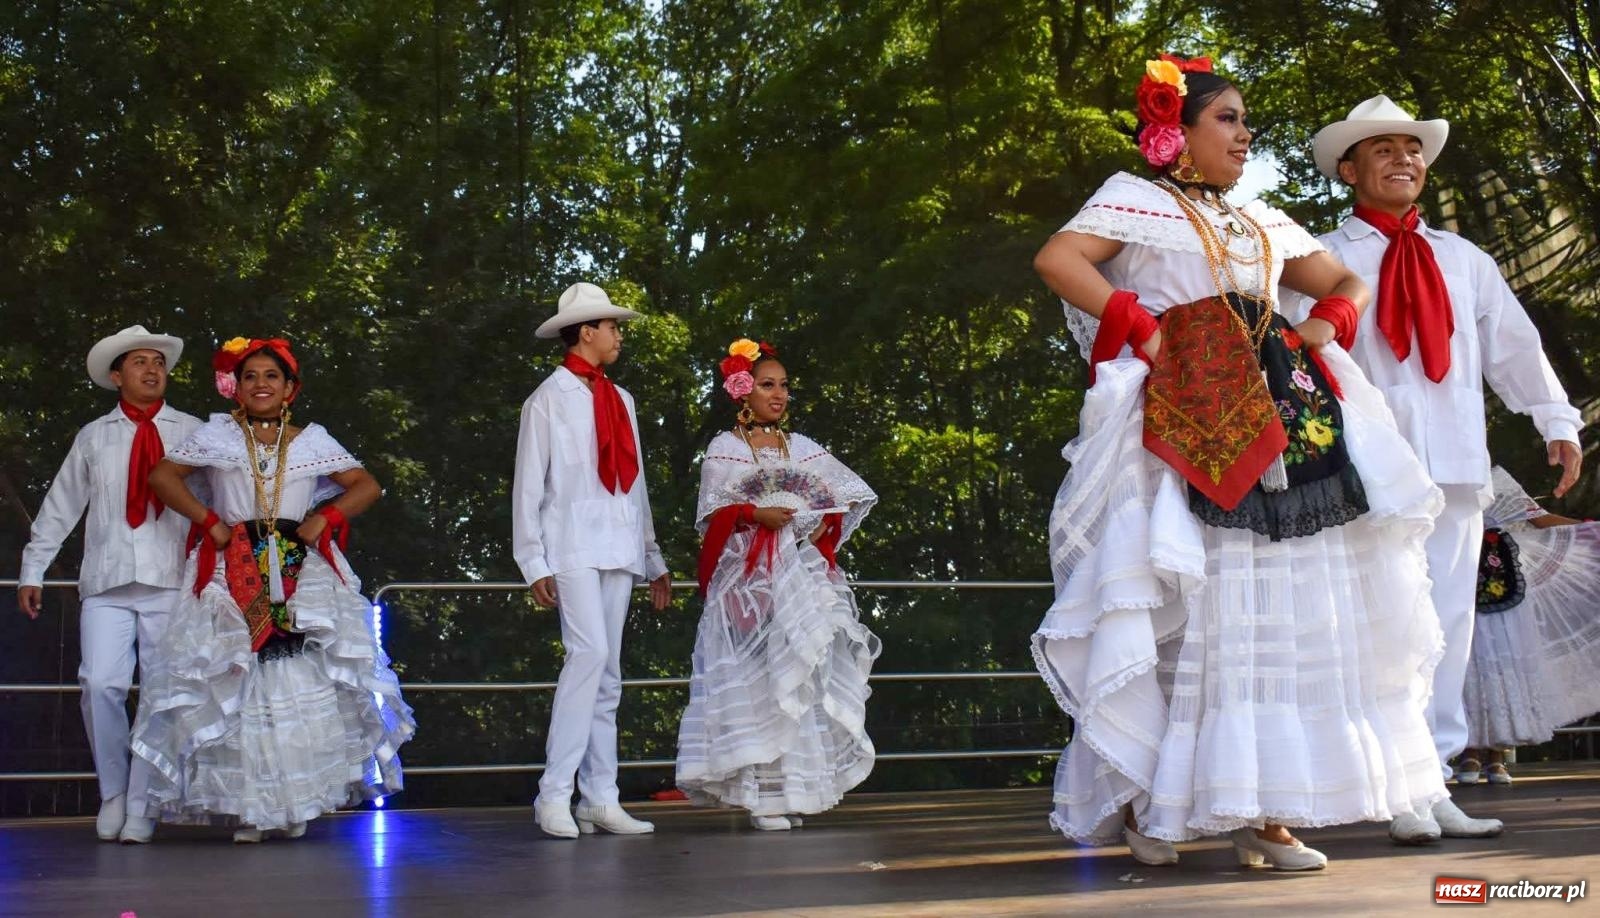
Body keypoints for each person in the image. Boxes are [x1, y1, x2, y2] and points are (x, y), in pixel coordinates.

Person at [1030, 54, 1447, 871]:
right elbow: (1058, 259)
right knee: (1190, 602)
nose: (1245, 132)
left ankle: (1264, 811)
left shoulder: (1259, 217)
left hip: (1280, 417)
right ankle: (1160, 805)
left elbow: (1343, 280)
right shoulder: (1136, 198)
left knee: (1278, 604)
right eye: (1227, 117)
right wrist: (1147, 332)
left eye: (1245, 120)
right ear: (1173, 131)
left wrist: (1322, 324)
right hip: (1184, 421)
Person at [1305, 95, 1584, 842]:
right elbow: (1290, 353)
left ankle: (1434, 782)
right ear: (1349, 168)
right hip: (1367, 473)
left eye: (1412, 148)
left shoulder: (1464, 259)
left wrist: (1555, 421)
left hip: (1458, 468)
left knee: (1450, 629)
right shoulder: (1322, 257)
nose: (1404, 159)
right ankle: (1387, 786)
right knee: (1379, 626)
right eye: (1383, 148)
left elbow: (1515, 349)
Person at [130, 336, 414, 842]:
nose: (261, 384)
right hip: (232, 561)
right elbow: (162, 477)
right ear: (235, 387)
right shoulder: (217, 436)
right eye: (250, 376)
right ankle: (248, 810)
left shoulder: (312, 440)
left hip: (298, 567)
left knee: (299, 680)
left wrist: (324, 517)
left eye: (271, 376)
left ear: (290, 389)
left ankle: (295, 803)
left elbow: (367, 485)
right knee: (238, 677)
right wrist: (209, 520)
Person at [675, 339, 880, 830]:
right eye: (768, 384)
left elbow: (846, 497)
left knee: (801, 672)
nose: (780, 393)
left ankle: (793, 789)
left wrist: (811, 523)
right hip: (747, 576)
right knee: (758, 678)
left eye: (784, 385)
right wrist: (752, 512)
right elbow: (714, 513)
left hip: (797, 572)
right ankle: (761, 794)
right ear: (742, 391)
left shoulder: (803, 448)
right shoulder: (727, 448)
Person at [17, 325, 202, 843]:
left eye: (158, 363)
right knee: (100, 684)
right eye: (140, 363)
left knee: (163, 693)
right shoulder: (94, 435)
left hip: (171, 579)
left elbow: (220, 498)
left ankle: (143, 801)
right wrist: (34, 568)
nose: (152, 370)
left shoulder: (191, 430)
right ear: (118, 376)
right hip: (107, 579)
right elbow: (61, 506)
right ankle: (114, 792)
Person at [513, 282, 673, 838]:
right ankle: (552, 794)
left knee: (608, 673)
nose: (618, 335)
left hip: (620, 543)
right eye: (611, 326)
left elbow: (637, 485)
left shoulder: (621, 399)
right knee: (588, 655)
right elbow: (528, 485)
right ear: (587, 332)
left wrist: (652, 556)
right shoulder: (548, 399)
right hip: (571, 542)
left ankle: (599, 796)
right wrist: (533, 560)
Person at [1458, 466, 1600, 784]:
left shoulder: (1500, 479)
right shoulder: (1441, 475)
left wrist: (1589, 530)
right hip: (1460, 575)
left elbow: (1541, 519)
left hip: (1504, 578)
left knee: (1505, 661)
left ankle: (1495, 756)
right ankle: (1469, 752)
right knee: (1467, 662)